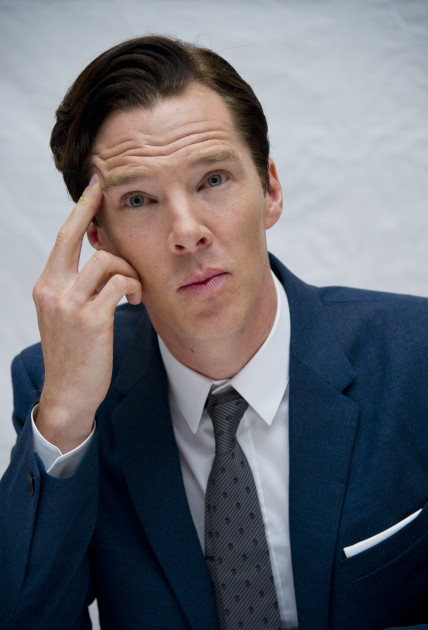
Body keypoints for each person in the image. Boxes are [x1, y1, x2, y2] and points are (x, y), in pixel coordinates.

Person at [0, 35, 427, 630]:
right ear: (99, 239)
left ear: (270, 189)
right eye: (139, 199)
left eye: (214, 179)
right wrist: (66, 419)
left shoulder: (415, 356)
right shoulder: (60, 389)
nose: (186, 232)